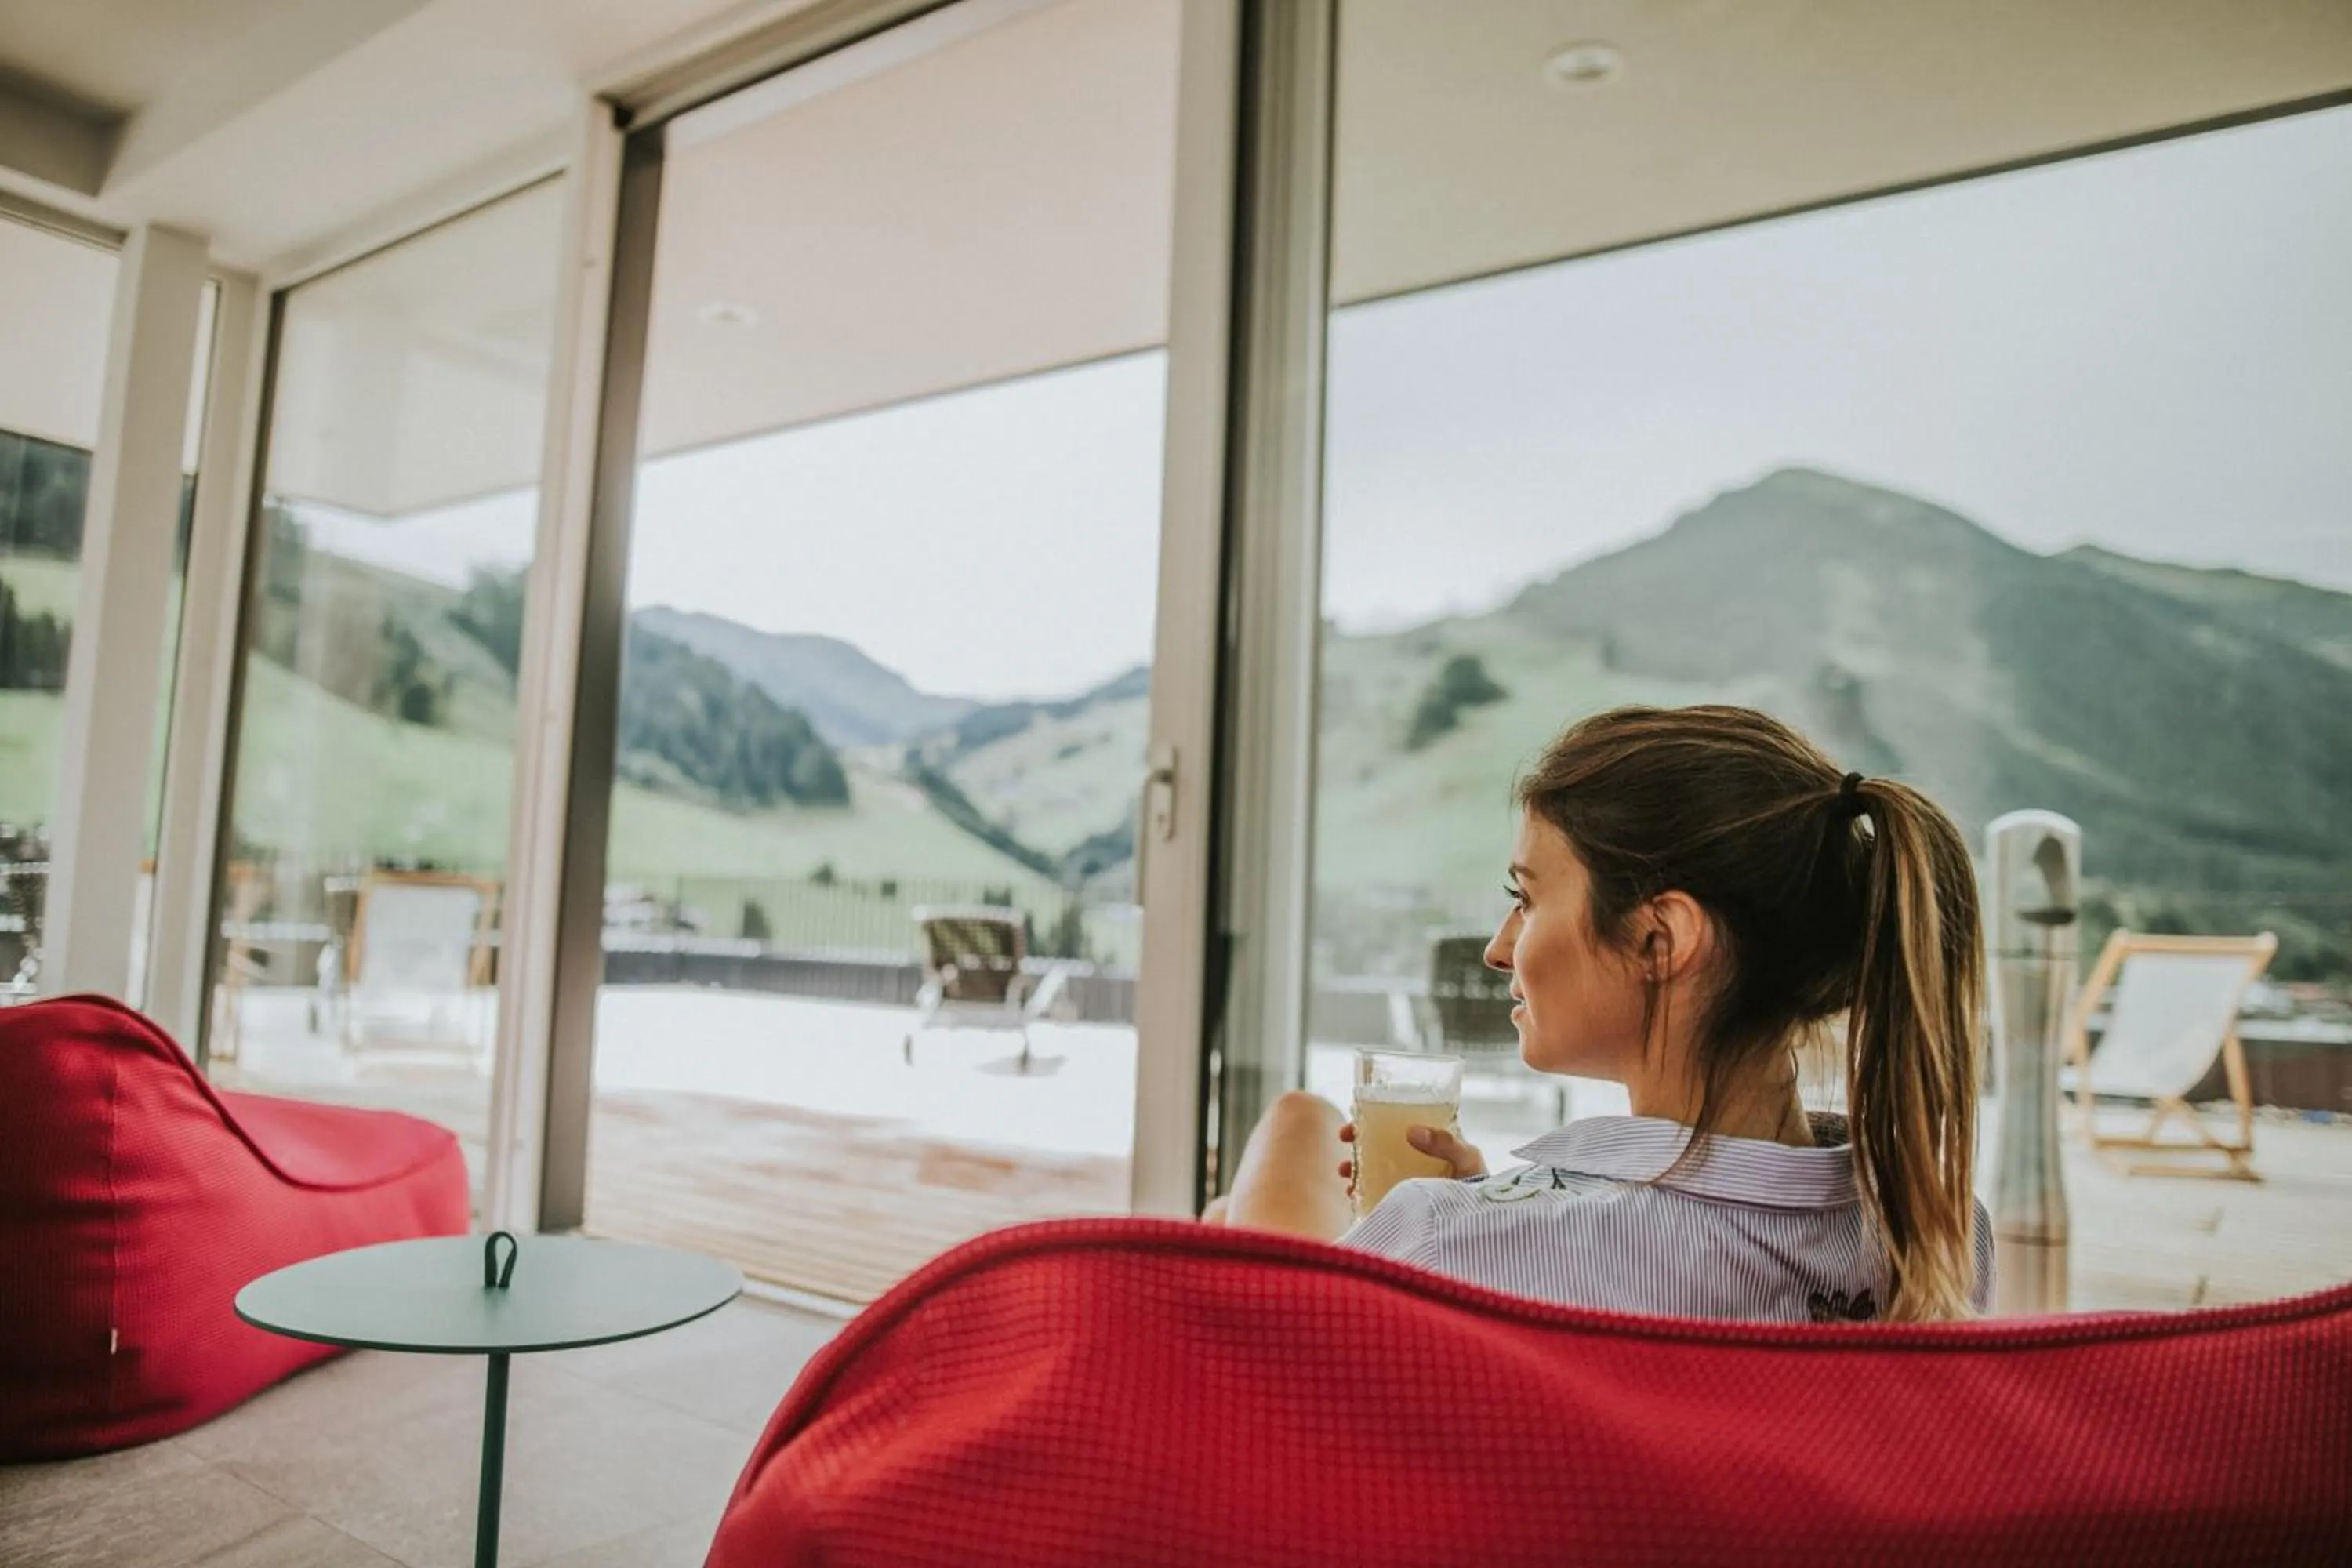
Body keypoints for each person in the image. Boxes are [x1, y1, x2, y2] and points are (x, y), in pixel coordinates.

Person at [1205, 704, 1993, 1323]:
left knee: (1286, 1132)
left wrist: (1458, 1212)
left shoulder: (1458, 1241)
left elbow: (1246, 1354)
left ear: (1660, 937)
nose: (1498, 949)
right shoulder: (1938, 1239)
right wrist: (1490, 1191)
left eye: (1526, 899)